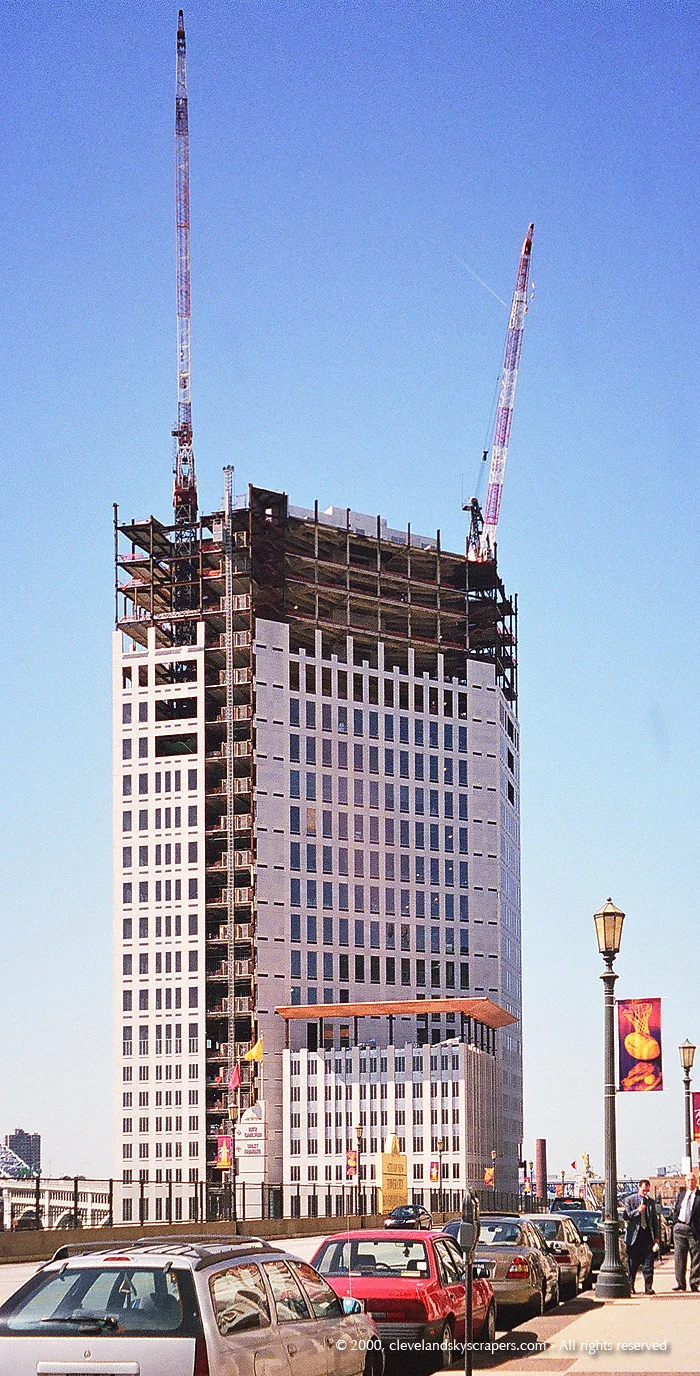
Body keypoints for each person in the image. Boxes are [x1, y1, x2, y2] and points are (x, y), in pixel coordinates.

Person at [622, 1179, 660, 1294]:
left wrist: (656, 1237)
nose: (645, 1192)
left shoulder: (650, 1202)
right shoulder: (630, 1200)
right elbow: (626, 1216)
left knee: (648, 1263)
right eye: (644, 1190)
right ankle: (631, 1286)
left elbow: (654, 1221)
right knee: (632, 1263)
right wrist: (637, 1211)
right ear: (639, 1188)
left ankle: (648, 1287)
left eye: (647, 1190)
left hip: (646, 1234)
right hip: (634, 1236)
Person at [672, 1171, 700, 1291]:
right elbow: (677, 1209)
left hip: (694, 1230)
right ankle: (680, 1284)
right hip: (680, 1228)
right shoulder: (682, 1194)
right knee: (679, 1257)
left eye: (693, 1180)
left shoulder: (699, 1195)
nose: (691, 1183)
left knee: (696, 1257)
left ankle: (694, 1283)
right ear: (685, 1182)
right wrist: (675, 1223)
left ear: (696, 1181)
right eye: (688, 1180)